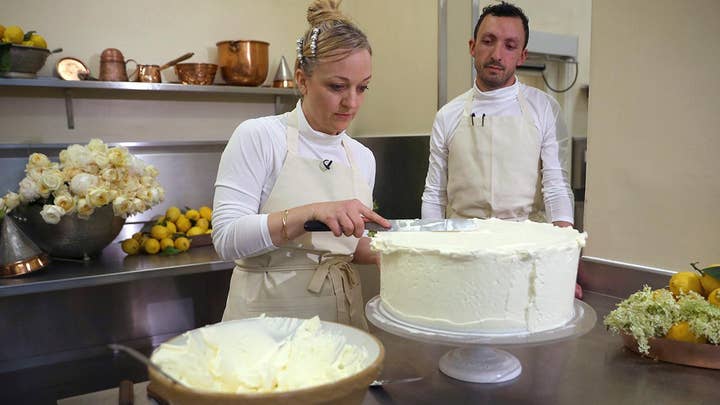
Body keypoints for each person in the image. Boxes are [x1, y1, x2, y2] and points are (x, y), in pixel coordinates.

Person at [212, 0, 389, 330]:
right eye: (337, 86)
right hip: (265, 322)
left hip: (341, 321)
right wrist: (309, 213)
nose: (352, 102)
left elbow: (344, 245)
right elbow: (226, 237)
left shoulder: (362, 157)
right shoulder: (261, 136)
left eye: (362, 87)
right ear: (302, 79)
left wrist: (394, 252)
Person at [421, 2, 581, 297]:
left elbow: (557, 188)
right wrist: (433, 255)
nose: (497, 54)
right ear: (472, 46)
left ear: (522, 56)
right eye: (488, 41)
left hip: (525, 255)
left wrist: (564, 265)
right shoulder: (448, 115)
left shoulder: (544, 109)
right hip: (460, 255)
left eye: (510, 45)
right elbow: (434, 194)